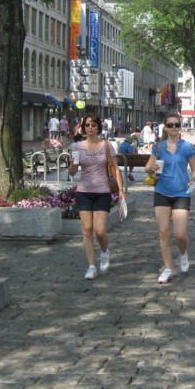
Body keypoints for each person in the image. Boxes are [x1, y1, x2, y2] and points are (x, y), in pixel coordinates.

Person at [144, 112, 195, 284]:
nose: (174, 127)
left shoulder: (187, 147)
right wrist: (151, 167)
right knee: (163, 232)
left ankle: (183, 253)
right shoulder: (159, 147)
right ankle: (168, 268)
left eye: (177, 124)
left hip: (182, 193)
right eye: (170, 125)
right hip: (162, 191)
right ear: (165, 127)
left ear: (180, 126)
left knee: (180, 234)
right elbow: (147, 167)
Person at [67, 112, 125, 280]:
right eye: (87, 125)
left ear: (98, 127)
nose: (90, 128)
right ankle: (91, 266)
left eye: (93, 125)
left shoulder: (107, 146)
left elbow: (115, 169)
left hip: (103, 192)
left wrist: (120, 190)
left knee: (99, 230)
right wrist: (73, 163)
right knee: (87, 230)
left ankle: (105, 251)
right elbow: (73, 172)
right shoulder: (78, 147)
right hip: (84, 191)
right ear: (83, 128)